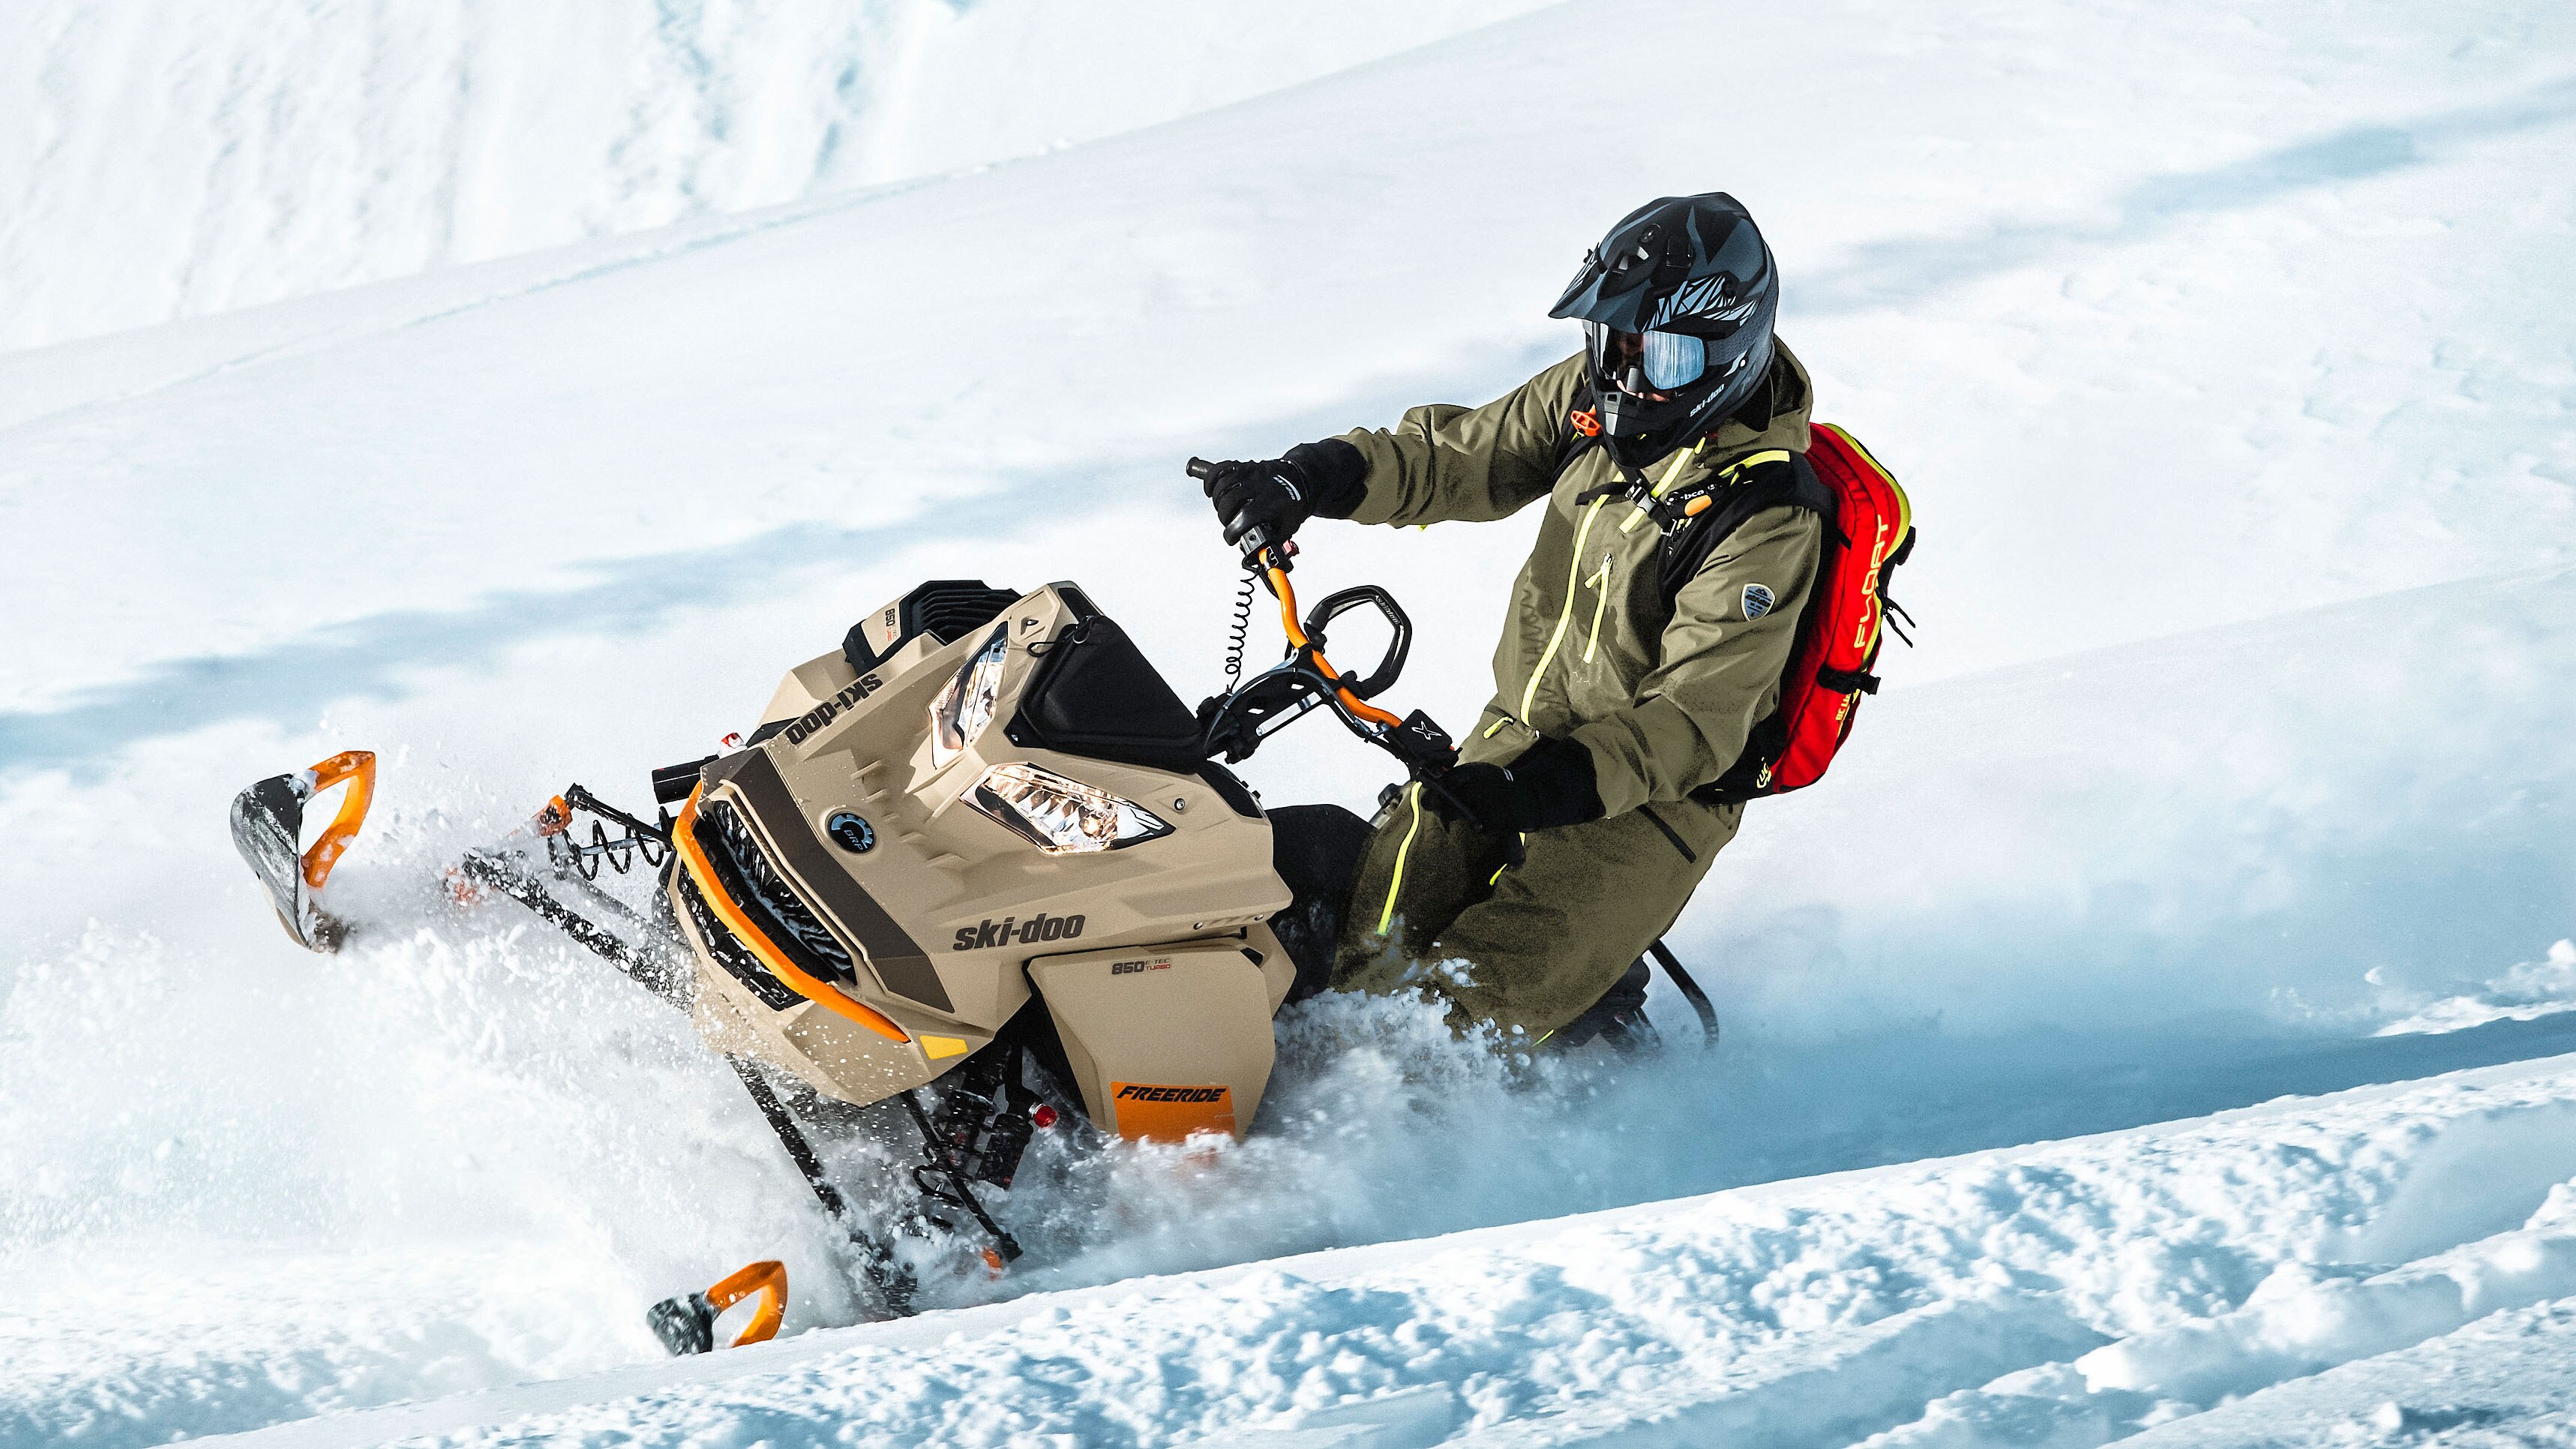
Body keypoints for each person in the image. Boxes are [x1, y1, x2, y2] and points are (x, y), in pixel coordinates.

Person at [1197, 193, 1824, 1050]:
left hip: (1645, 808)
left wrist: (1534, 785)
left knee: (1451, 1020)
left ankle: (1398, 1163)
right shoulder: (1595, 399)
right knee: (1360, 953)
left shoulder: (1765, 514)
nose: (1633, 378)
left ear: (1733, 350)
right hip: (1514, 744)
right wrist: (1312, 478)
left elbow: (1692, 722)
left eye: (1667, 355)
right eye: (1618, 344)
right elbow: (1454, 459)